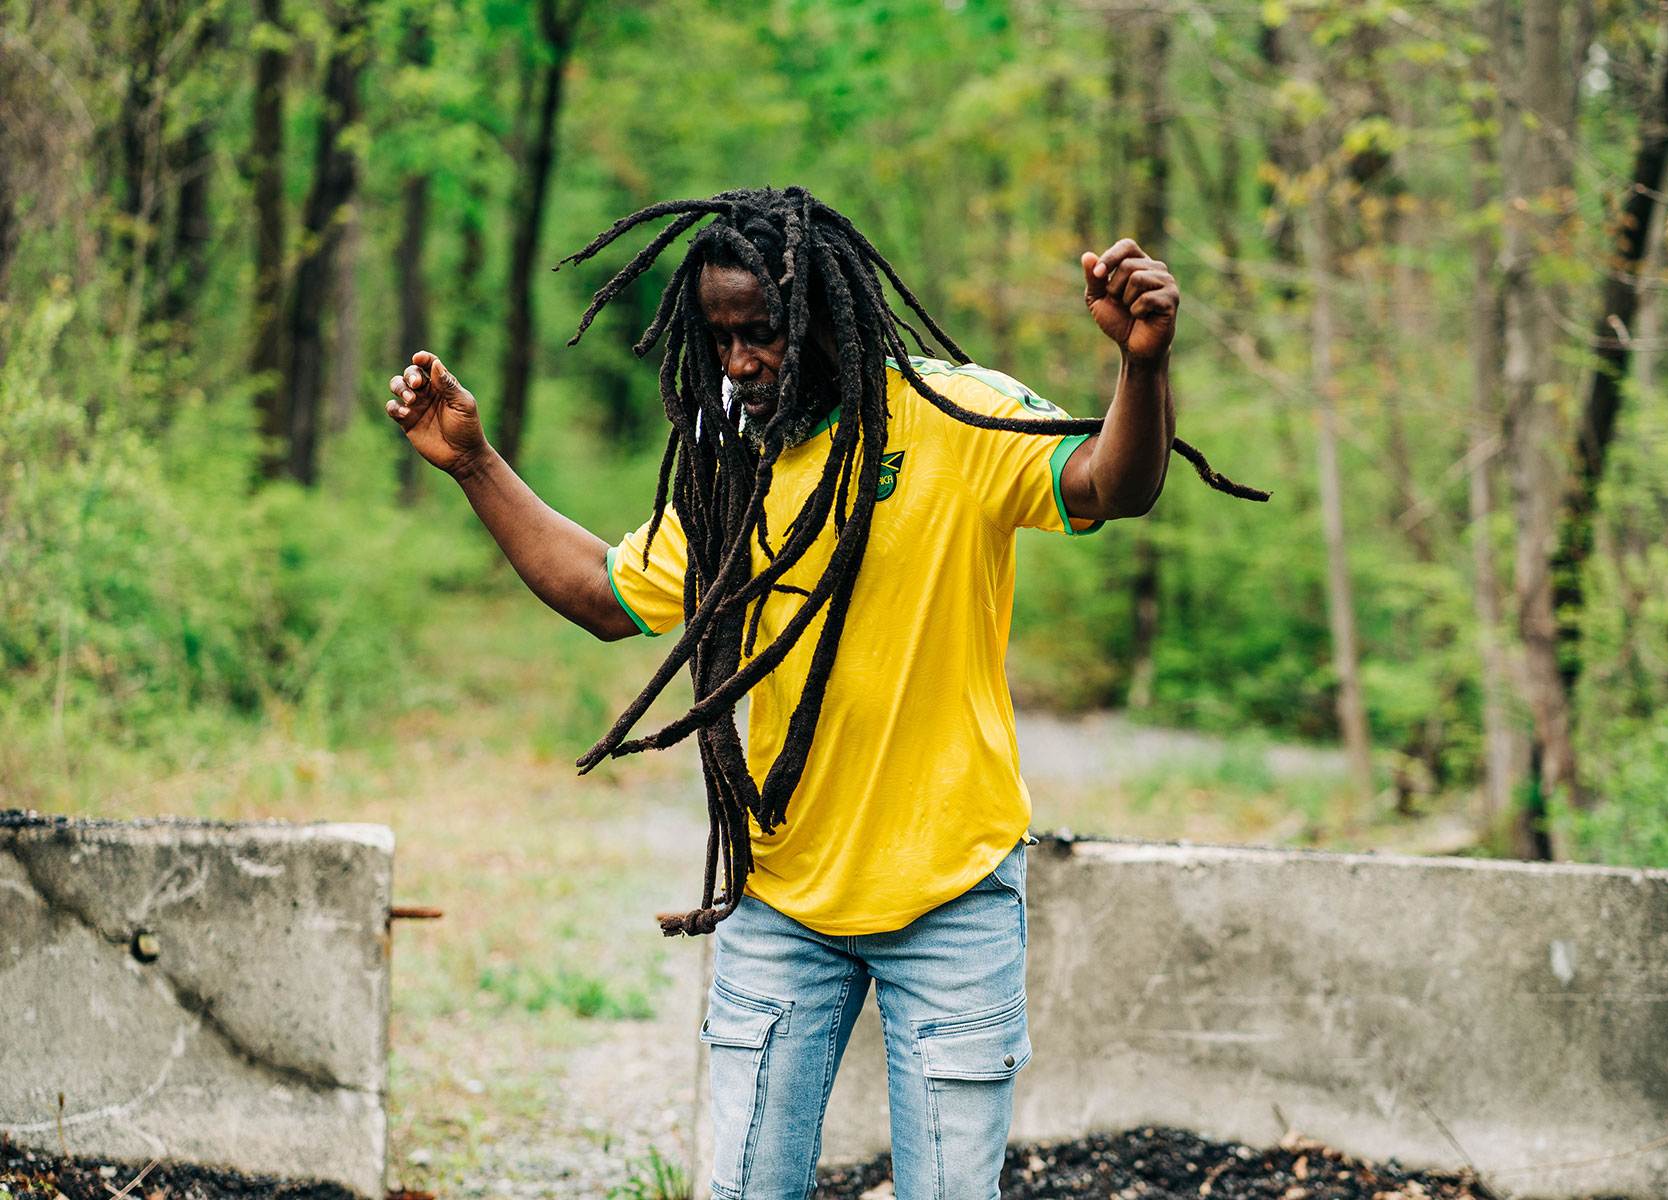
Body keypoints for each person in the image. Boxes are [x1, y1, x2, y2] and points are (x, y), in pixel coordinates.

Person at [384, 187, 1260, 1200]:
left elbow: (1113, 484)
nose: (740, 363)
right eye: (721, 340)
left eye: (762, 332)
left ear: (829, 317)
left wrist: (1142, 366)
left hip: (954, 895)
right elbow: (600, 594)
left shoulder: (958, 416)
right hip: (783, 904)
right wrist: (474, 463)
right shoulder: (733, 473)